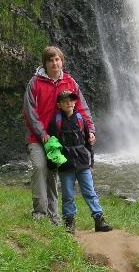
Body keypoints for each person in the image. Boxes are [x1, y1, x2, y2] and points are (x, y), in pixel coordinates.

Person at [22, 46, 96, 224]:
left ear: (62, 61)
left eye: (57, 59)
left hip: (62, 138)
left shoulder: (70, 83)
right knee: (40, 167)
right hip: (37, 137)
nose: (54, 63)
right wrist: (42, 133)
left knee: (54, 172)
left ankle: (54, 214)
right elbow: (29, 111)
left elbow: (82, 108)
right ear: (45, 64)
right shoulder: (35, 83)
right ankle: (39, 212)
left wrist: (90, 130)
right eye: (50, 60)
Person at [47, 90, 113, 233]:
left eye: (71, 100)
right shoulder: (55, 123)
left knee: (90, 192)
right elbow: (52, 146)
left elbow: (88, 144)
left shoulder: (81, 120)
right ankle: (69, 223)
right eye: (65, 101)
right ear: (59, 105)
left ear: (75, 102)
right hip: (65, 165)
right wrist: (52, 165)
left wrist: (92, 162)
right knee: (68, 195)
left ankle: (99, 220)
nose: (68, 103)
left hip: (83, 163)